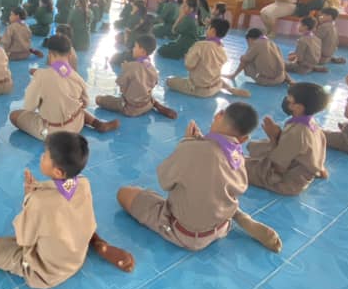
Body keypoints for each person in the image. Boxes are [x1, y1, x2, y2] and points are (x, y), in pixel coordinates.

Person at [0, 132, 134, 288]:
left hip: (48, 272)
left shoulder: (39, 202)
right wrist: (35, 192)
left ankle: (32, 269)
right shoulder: (83, 183)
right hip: (77, 256)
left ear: (57, 171)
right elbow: (62, 200)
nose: (42, 157)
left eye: (45, 155)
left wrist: (28, 198)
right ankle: (97, 243)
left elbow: (24, 240)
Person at [116, 104, 282, 253]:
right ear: (244, 139)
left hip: (188, 235)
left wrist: (186, 142)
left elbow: (164, 181)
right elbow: (213, 157)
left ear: (218, 115)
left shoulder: (191, 149)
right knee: (215, 190)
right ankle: (241, 218)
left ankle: (234, 218)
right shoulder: (237, 155)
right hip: (221, 225)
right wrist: (197, 144)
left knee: (125, 193)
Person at [10, 35, 119, 139]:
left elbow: (29, 107)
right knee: (77, 108)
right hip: (76, 124)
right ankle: (97, 123)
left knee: (14, 115)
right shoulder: (76, 76)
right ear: (70, 54)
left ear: (50, 54)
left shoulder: (41, 77)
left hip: (53, 131)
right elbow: (85, 103)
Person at [245, 82, 329, 195]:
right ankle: (317, 170)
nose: (286, 101)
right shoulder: (311, 123)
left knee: (234, 165)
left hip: (288, 182)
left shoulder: (297, 132)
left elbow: (278, 168)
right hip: (304, 169)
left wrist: (273, 138)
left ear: (298, 108)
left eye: (289, 101)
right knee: (255, 146)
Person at [96, 34, 177, 119]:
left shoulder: (131, 67)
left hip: (130, 109)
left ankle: (102, 100)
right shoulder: (151, 67)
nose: (133, 49)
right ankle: (155, 104)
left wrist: (125, 70)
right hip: (146, 104)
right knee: (146, 94)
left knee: (99, 99)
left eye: (135, 47)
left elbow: (122, 88)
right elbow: (154, 82)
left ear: (142, 51)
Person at [165, 19, 237, 98]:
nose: (206, 30)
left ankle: (221, 87)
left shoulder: (200, 45)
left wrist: (187, 57)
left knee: (169, 80)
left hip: (200, 89)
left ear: (212, 30)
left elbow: (189, 65)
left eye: (208, 28)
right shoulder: (221, 48)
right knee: (216, 79)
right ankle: (228, 88)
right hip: (214, 85)